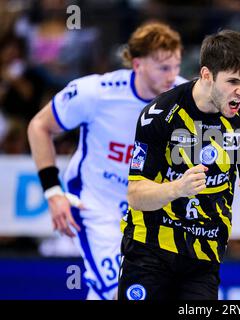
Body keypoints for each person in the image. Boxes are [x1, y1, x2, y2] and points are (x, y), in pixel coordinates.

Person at [27, 22, 185, 300]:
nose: (172, 76)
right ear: (137, 64)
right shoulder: (97, 92)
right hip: (97, 207)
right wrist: (53, 193)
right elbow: (39, 126)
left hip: (153, 211)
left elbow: (238, 127)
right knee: (125, 290)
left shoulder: (187, 97)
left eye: (176, 66)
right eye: (163, 68)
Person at [118, 30, 240, 301]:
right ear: (206, 75)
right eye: (233, 81)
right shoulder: (160, 114)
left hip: (204, 256)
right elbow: (135, 195)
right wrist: (177, 188)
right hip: (149, 249)